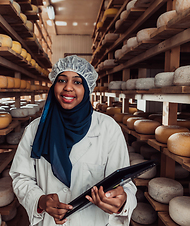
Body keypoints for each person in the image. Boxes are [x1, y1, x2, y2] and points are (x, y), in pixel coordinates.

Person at [10, 55, 137, 226]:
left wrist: (122, 201)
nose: (68, 87)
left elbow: (124, 183)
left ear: (87, 89)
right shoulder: (35, 129)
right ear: (54, 85)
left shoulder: (108, 128)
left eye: (77, 82)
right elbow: (21, 177)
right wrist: (40, 201)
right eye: (62, 80)